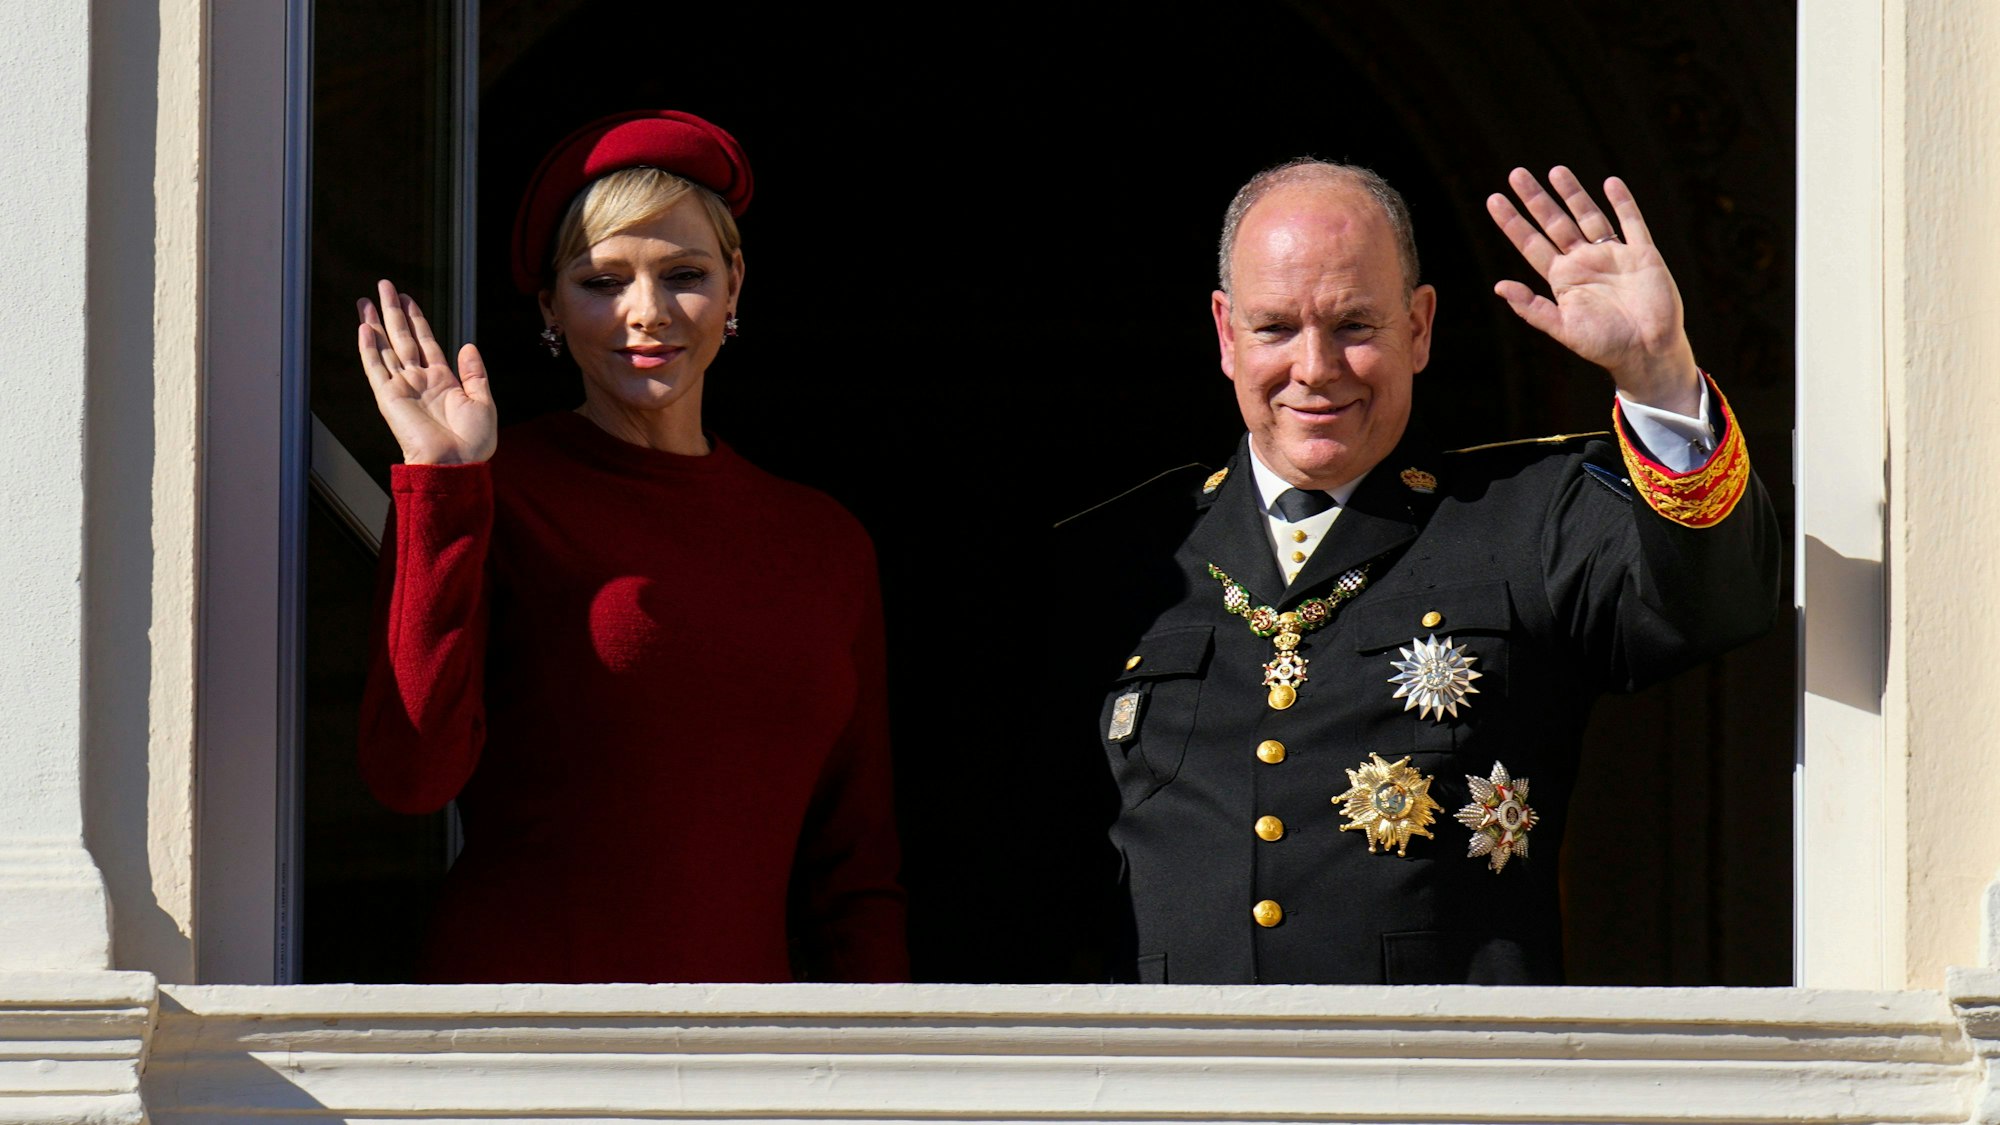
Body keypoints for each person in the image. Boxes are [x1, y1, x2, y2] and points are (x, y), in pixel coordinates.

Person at [1052, 161, 1781, 986]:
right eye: (1275, 328)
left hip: (1441, 1092)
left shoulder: (1528, 519)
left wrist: (1657, 373)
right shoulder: (1123, 558)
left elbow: (1720, 602)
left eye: (1355, 326)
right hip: (1172, 1098)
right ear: (1225, 333)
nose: (1316, 367)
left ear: (1420, 325)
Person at [354, 109, 907, 984]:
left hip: (753, 1056)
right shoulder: (498, 492)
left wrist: (882, 1073)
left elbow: (857, 871)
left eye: (683, 274)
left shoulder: (824, 543)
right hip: (524, 1040)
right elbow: (410, 776)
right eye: (601, 281)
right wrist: (445, 483)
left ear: (735, 286)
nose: (644, 315)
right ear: (549, 306)